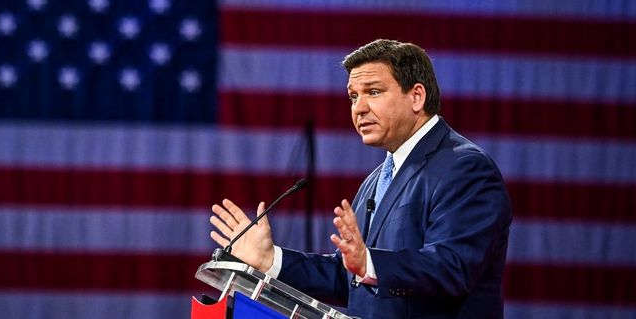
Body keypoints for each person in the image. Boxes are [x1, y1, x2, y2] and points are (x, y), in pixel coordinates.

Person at [210, 39, 512, 318]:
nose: (359, 108)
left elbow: (451, 268)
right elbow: (350, 277)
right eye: (353, 96)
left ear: (416, 96)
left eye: (374, 92)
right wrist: (270, 259)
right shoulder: (378, 179)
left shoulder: (466, 168)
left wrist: (368, 262)